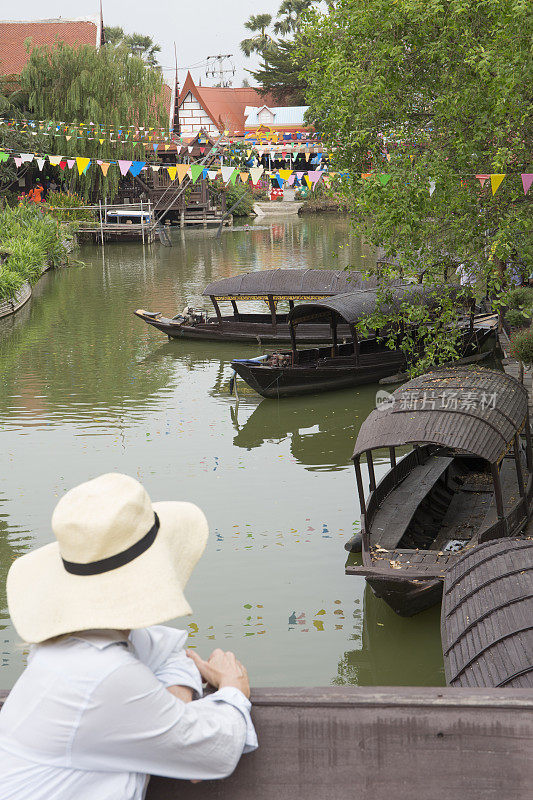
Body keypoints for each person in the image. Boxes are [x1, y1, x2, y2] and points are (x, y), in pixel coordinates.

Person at [0, 473, 257, 799]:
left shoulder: (71, 648)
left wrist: (173, 708)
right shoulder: (101, 672)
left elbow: (170, 648)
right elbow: (212, 755)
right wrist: (234, 688)